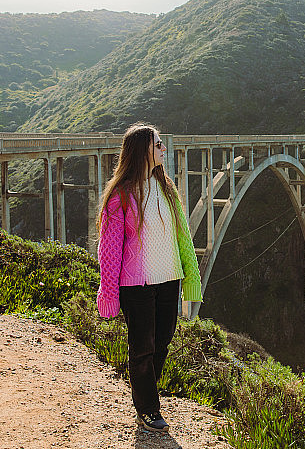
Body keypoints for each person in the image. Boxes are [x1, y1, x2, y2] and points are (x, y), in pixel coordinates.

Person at [96, 122, 202, 433]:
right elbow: (110, 248)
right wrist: (109, 292)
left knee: (163, 343)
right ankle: (147, 408)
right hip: (136, 285)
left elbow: (183, 237)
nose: (163, 149)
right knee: (142, 346)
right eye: (157, 145)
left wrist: (191, 281)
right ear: (143, 150)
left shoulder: (166, 188)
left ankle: (144, 395)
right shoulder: (120, 195)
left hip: (170, 279)